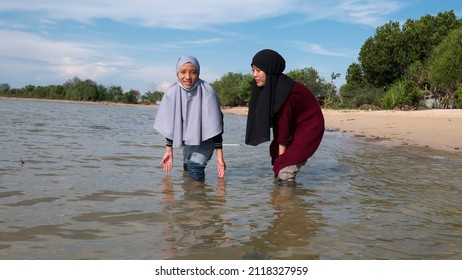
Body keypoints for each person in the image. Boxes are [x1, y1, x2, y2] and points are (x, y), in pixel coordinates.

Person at [245, 49, 324, 183]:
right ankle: (280, 197)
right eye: (253, 70)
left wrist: (282, 160)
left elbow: (283, 125)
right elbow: (278, 123)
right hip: (295, 124)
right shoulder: (274, 86)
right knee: (277, 159)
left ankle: (287, 202)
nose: (255, 75)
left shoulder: (285, 91)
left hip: (310, 126)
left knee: (285, 169)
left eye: (258, 70)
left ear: (269, 71)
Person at [154, 55, 226, 181]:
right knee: (187, 168)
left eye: (193, 72)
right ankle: (193, 199)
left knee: (195, 167)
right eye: (183, 72)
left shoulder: (208, 91)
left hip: (207, 140)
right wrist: (168, 150)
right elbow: (171, 124)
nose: (187, 77)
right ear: (177, 72)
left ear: (198, 73)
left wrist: (219, 156)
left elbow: (216, 125)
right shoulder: (172, 92)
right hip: (188, 141)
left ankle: (197, 198)